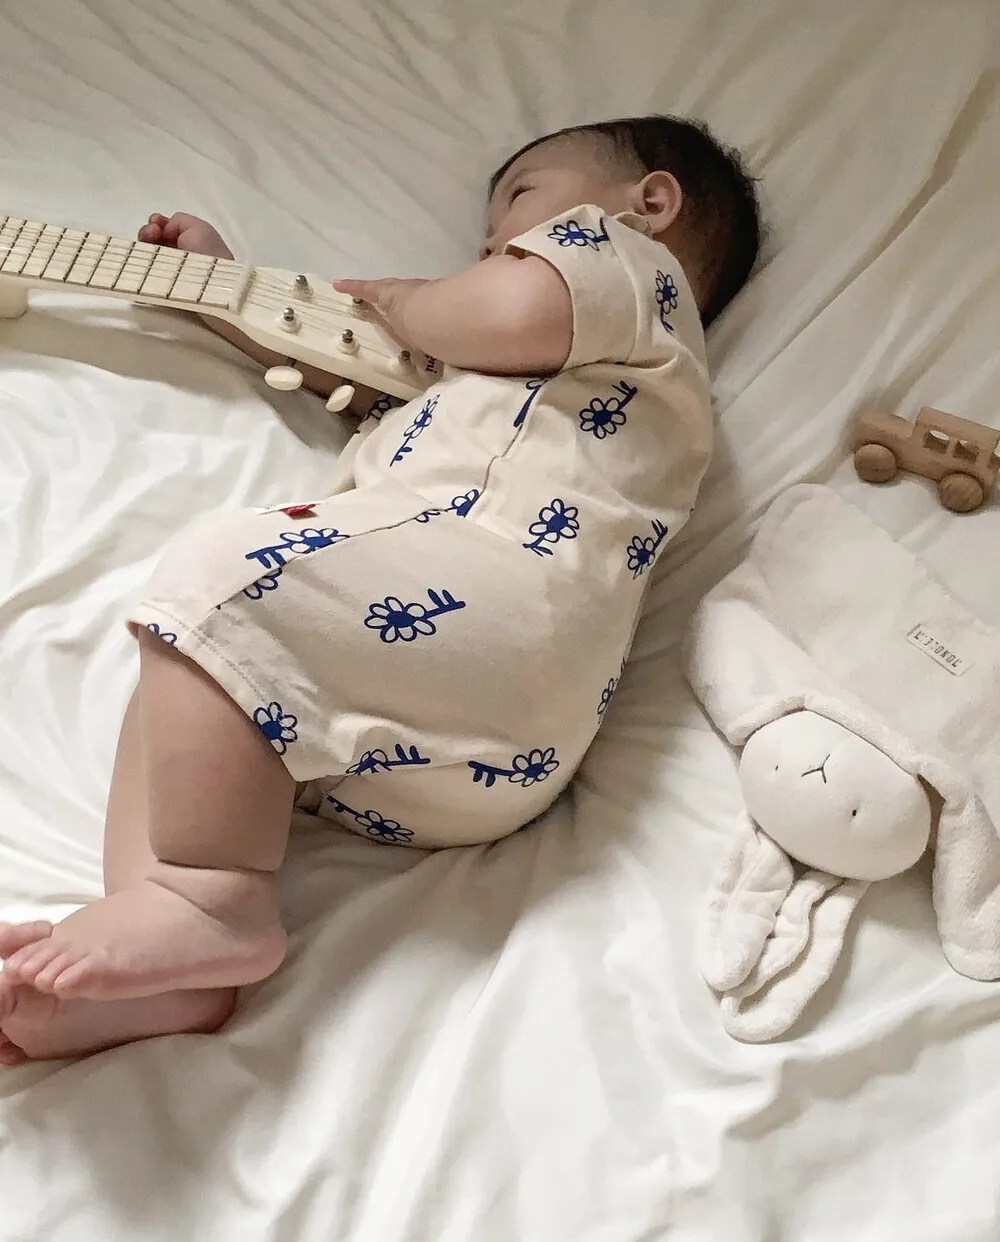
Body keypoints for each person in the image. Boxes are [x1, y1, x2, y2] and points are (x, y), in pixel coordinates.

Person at [0, 114, 762, 1063]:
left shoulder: (634, 274)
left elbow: (508, 310)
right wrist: (217, 291)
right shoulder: (480, 380)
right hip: (443, 753)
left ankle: (205, 899)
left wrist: (412, 297)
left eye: (518, 203)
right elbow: (338, 359)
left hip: (502, 600)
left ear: (650, 202)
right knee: (189, 672)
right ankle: (173, 957)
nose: (490, 242)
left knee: (219, 588)